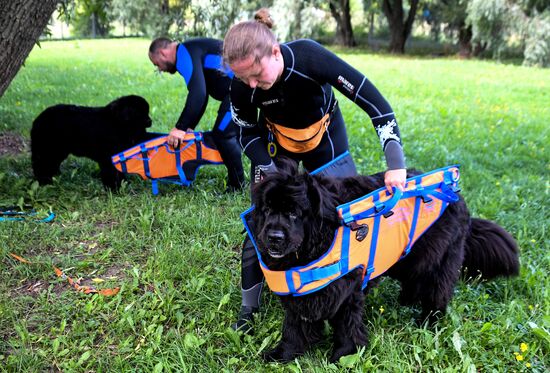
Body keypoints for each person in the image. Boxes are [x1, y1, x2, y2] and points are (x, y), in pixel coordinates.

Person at [223, 9, 407, 332]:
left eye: (256, 73)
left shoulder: (309, 58)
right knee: (259, 220)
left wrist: (396, 164)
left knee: (341, 218)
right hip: (277, 148)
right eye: (243, 79)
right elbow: (245, 133)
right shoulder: (242, 87)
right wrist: (266, 167)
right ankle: (248, 306)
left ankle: (343, 292)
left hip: (325, 140)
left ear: (275, 51)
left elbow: (376, 105)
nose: (253, 85)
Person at [148, 37, 245, 191]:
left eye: (156, 64)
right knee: (230, 134)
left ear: (162, 53)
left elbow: (198, 93)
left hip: (241, 89)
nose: (160, 69)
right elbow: (203, 95)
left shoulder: (184, 52)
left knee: (223, 135)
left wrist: (180, 127)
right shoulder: (191, 49)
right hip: (237, 90)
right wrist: (189, 126)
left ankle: (237, 186)